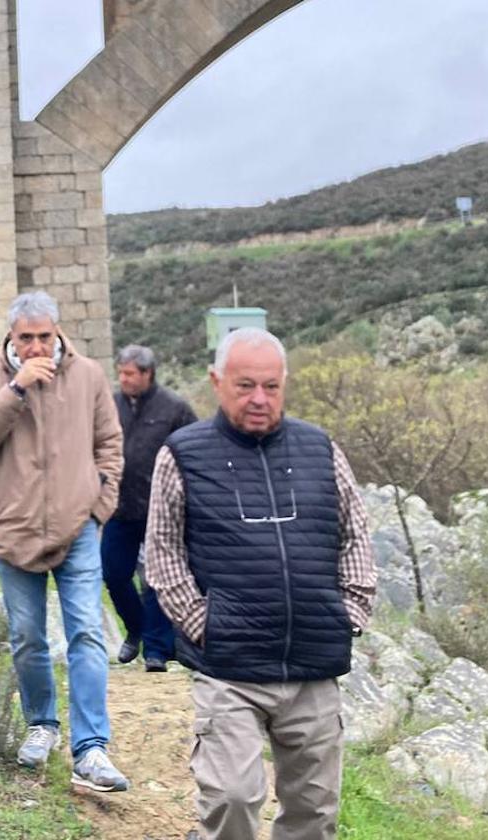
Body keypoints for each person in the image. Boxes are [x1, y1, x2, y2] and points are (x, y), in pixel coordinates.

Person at [145, 327, 376, 840]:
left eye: (271, 387)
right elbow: (163, 555)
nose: (259, 399)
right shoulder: (182, 455)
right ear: (216, 381)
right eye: (246, 385)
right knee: (232, 798)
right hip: (230, 668)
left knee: (314, 815)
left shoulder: (321, 448)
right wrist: (206, 626)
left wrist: (350, 612)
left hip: (313, 666)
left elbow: (356, 533)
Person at [0, 290, 130, 793]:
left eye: (44, 336)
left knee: (87, 633)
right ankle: (42, 725)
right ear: (11, 337)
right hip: (12, 530)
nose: (36, 346)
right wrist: (15, 388)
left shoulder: (88, 376)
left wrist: (100, 507)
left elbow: (110, 445)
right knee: (29, 636)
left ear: (57, 332)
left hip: (77, 526)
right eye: (26, 337)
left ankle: (91, 748)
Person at [103, 344, 197, 672]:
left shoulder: (175, 409)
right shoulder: (110, 406)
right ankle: (136, 628)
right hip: (119, 507)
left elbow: (194, 453)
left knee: (157, 578)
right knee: (113, 573)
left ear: (147, 374)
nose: (124, 379)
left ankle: (157, 650)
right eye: (121, 373)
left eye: (130, 373)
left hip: (162, 509)